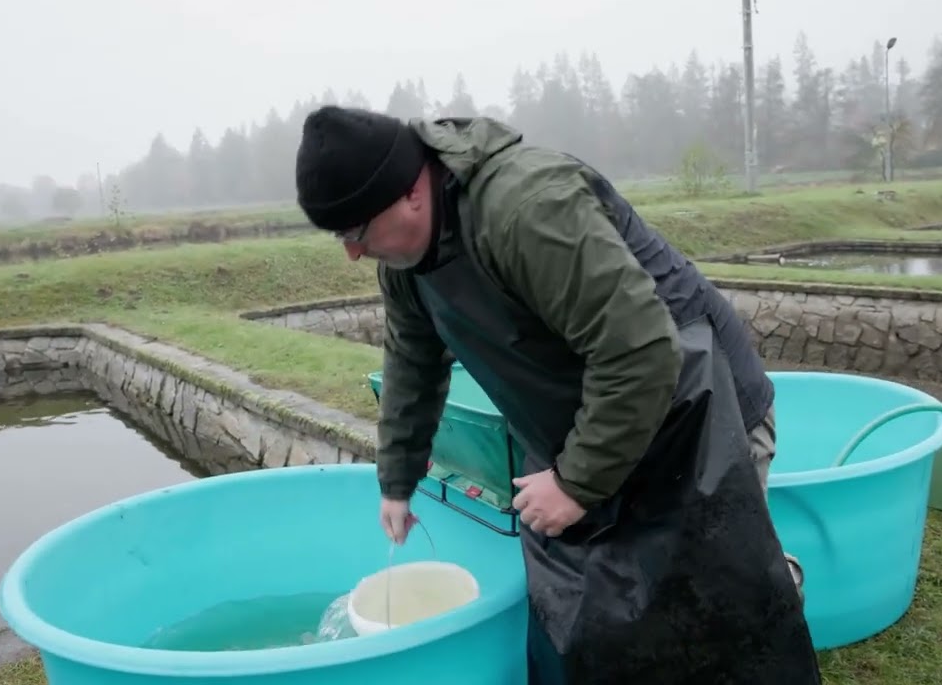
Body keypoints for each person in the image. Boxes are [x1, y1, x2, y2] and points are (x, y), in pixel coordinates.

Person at [294, 105, 821, 684]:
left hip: (699, 411)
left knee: (720, 598)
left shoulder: (527, 208)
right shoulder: (404, 265)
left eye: (354, 232)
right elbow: (410, 366)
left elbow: (641, 352)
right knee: (615, 613)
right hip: (596, 419)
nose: (352, 253)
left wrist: (574, 484)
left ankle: (776, 586)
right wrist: (396, 481)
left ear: (411, 193)